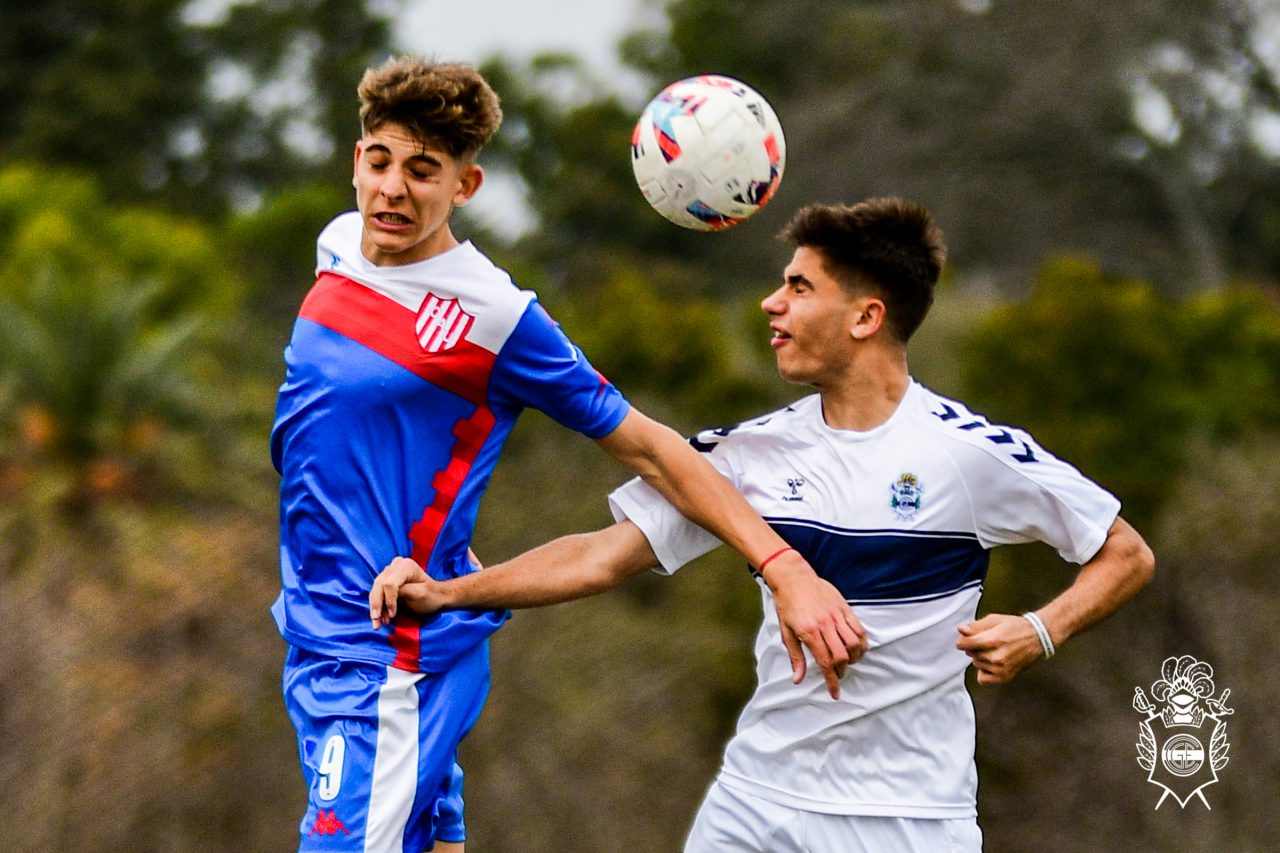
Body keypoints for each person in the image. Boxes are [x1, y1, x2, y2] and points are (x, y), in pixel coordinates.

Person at [370, 197, 1157, 852]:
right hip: (755, 805)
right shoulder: (746, 455)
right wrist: (449, 591)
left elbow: (1125, 552)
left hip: (909, 818)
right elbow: (602, 557)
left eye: (798, 287)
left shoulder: (968, 453)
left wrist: (1040, 629)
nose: (771, 304)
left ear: (866, 316)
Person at [269, 56, 863, 853]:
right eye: (380, 163)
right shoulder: (339, 245)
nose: (393, 190)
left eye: (423, 171)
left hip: (388, 658)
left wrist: (782, 566)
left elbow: (653, 450)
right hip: (316, 633)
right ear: (356, 162)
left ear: (465, 185)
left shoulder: (495, 317)